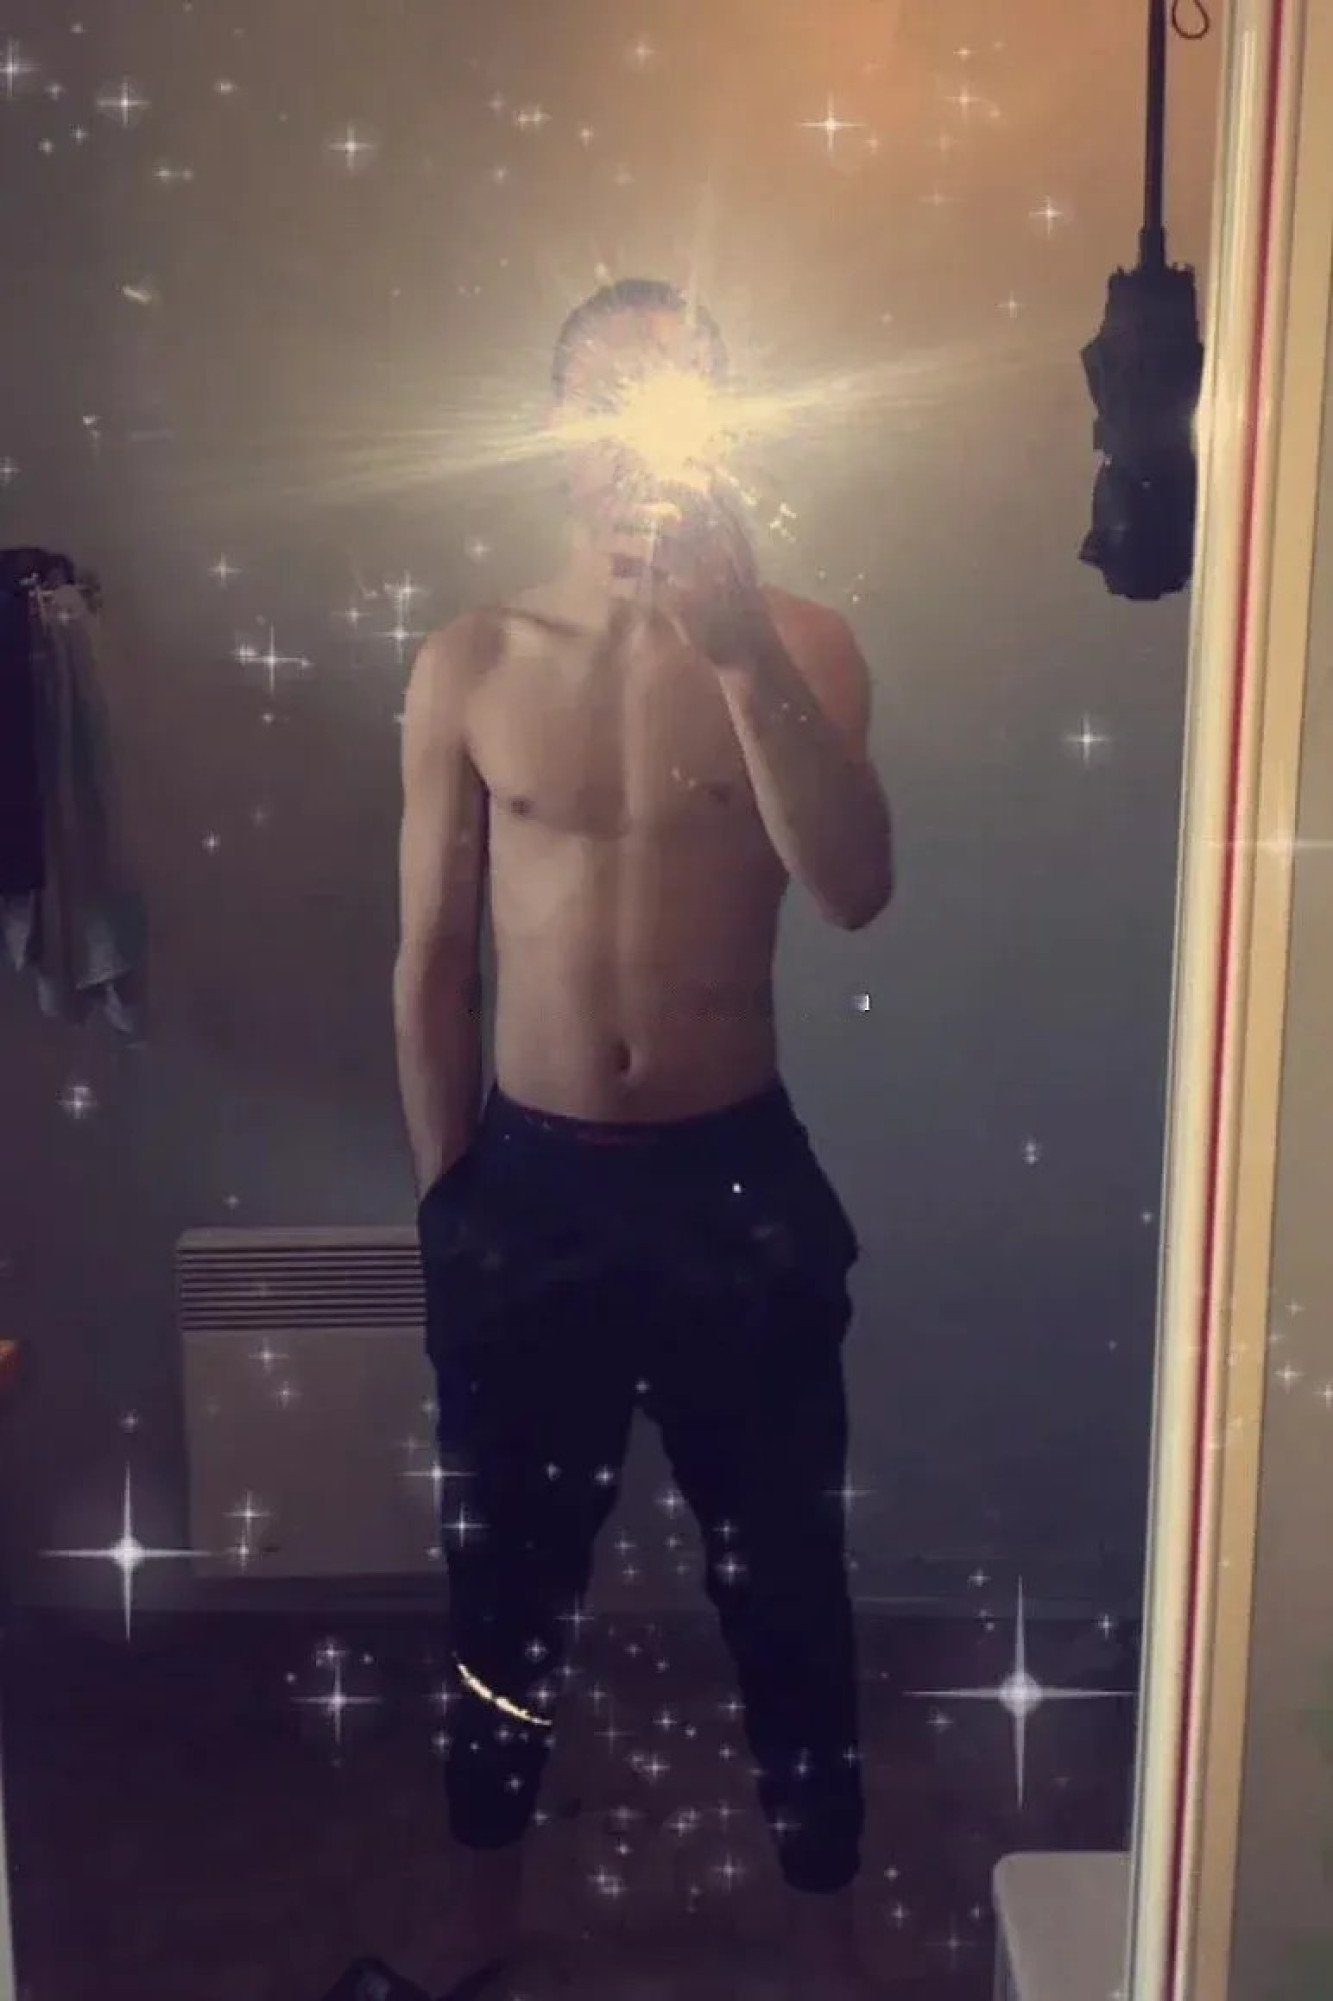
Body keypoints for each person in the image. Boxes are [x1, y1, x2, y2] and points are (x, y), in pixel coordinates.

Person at [393, 278, 894, 2001]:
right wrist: (449, 1206)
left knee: (786, 1581)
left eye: (670, 398)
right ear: (553, 421)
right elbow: (431, 959)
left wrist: (739, 647)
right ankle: (480, 1920)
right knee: (503, 1582)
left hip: (730, 1182)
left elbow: (853, 889)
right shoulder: (470, 658)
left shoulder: (802, 642)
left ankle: (824, 1937)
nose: (631, 438)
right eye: (602, 397)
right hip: (526, 1190)